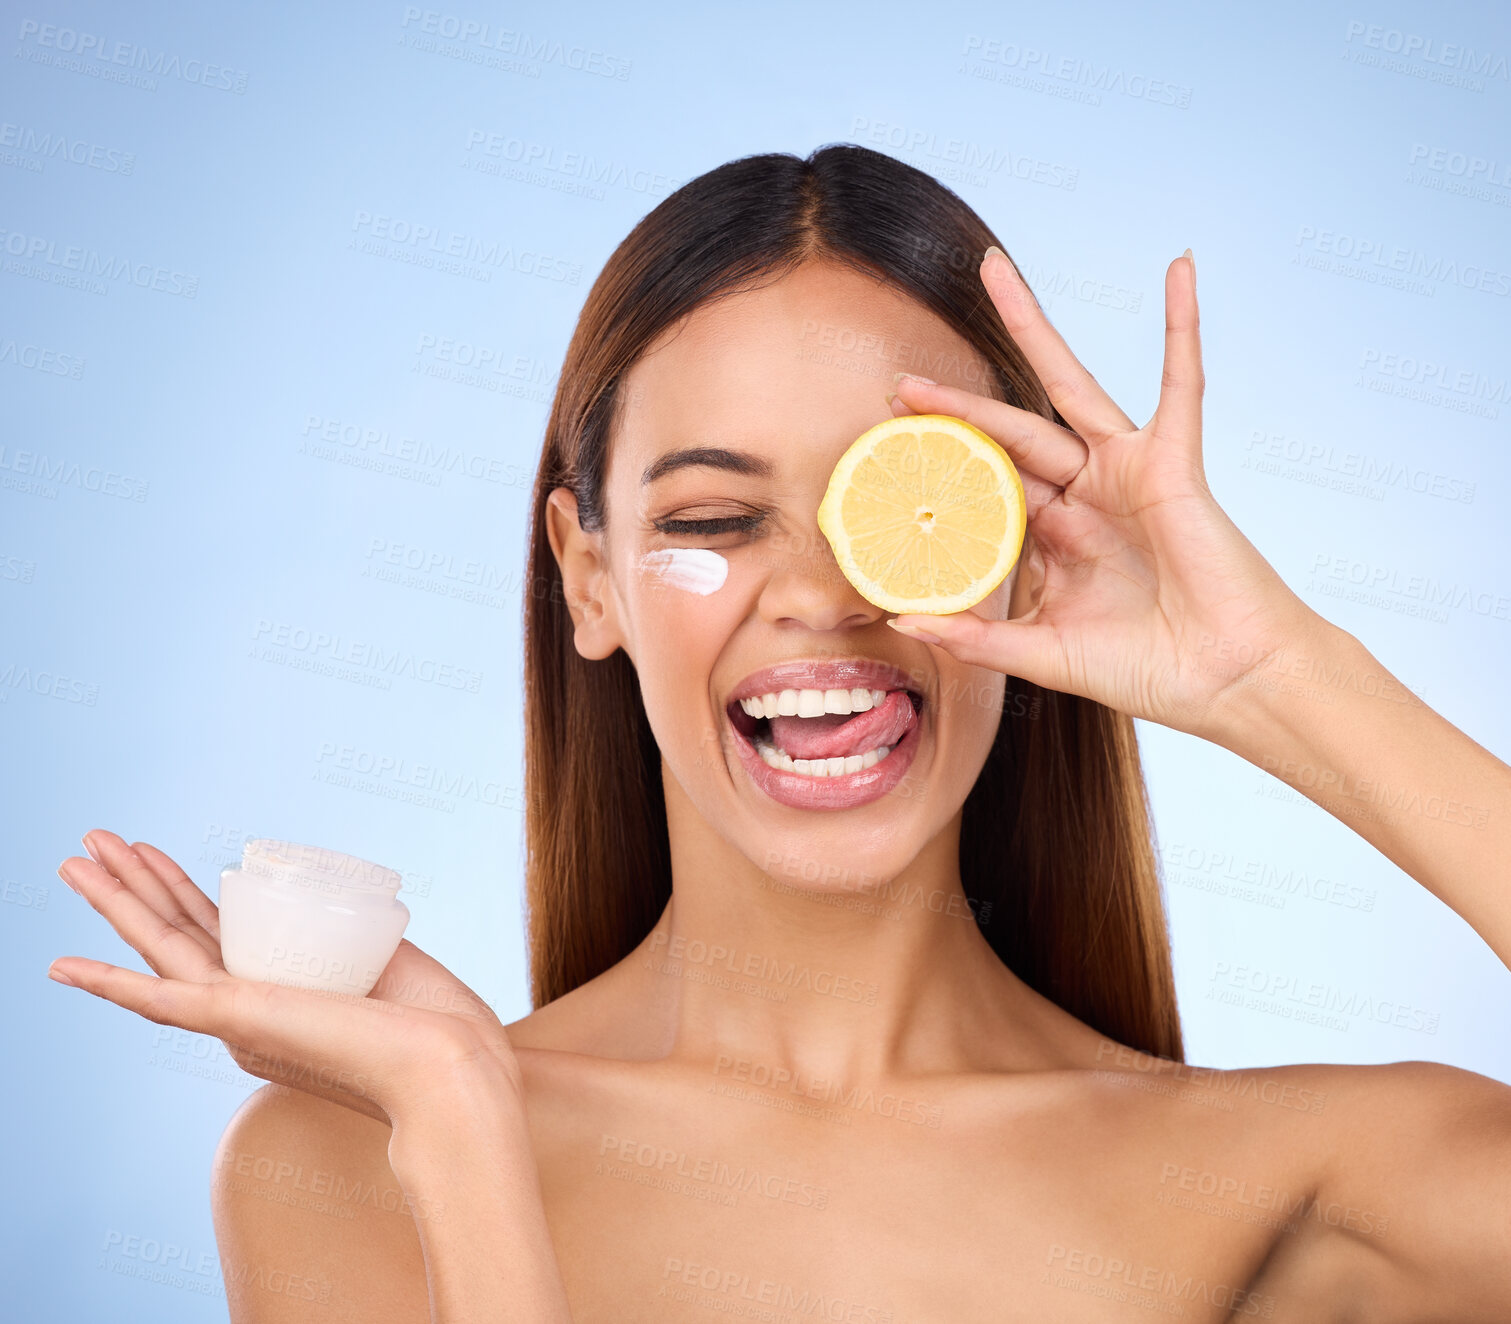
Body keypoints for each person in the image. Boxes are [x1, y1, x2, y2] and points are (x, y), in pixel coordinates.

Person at [50, 145, 1511, 1320]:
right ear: (589, 575)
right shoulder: (346, 1165)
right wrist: (464, 1129)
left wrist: (1267, 672)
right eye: (711, 520)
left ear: (1010, 547)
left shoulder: (1299, 1189)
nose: (817, 598)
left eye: (901, 512)